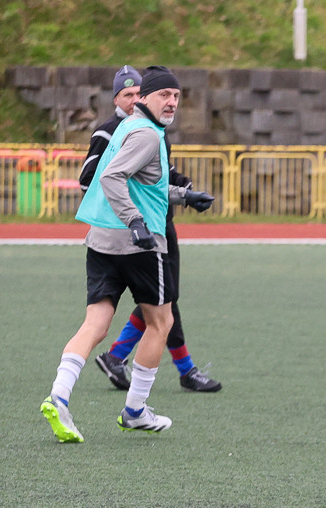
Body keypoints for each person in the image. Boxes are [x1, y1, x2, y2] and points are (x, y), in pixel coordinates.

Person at [40, 66, 216, 443]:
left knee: (96, 325)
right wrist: (136, 223)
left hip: (101, 240)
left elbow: (141, 182)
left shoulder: (126, 127)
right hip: (136, 243)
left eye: (176, 96)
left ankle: (59, 395)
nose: (171, 102)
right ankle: (135, 410)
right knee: (160, 322)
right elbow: (110, 178)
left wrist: (185, 196)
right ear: (144, 98)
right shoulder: (148, 136)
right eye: (164, 95)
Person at [81, 66, 222, 393]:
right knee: (162, 302)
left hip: (159, 223)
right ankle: (177, 371)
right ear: (117, 97)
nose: (133, 100)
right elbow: (92, 178)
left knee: (163, 299)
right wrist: (131, 215)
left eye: (136, 93)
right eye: (127, 94)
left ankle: (121, 357)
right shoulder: (112, 131)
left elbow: (158, 174)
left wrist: (182, 189)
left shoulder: (152, 126)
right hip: (132, 229)